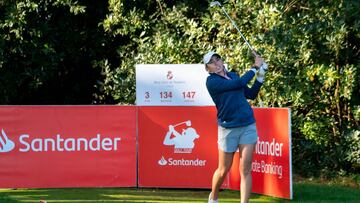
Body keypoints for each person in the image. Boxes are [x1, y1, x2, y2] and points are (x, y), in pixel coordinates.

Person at [203, 51, 267, 203]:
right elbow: (236, 84)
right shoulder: (211, 81)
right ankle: (214, 197)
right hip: (228, 128)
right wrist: (255, 66)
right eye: (211, 62)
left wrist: (261, 75)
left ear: (221, 60)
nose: (216, 63)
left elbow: (251, 94)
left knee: (245, 169)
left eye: (217, 59)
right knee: (223, 169)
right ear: (208, 68)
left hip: (247, 124)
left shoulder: (234, 75)